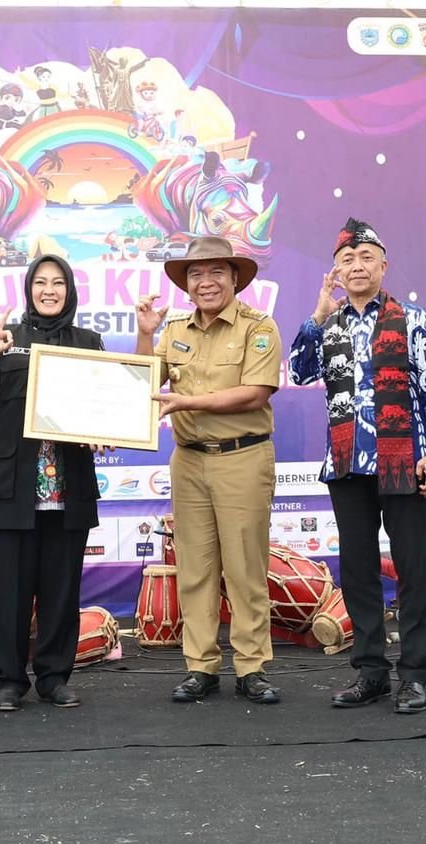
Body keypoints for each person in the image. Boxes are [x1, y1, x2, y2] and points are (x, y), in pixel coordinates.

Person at [289, 218, 426, 714]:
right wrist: (316, 316)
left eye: (366, 258)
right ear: (337, 272)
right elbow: (299, 370)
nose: (357, 266)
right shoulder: (330, 325)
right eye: (347, 260)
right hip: (347, 464)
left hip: (404, 460)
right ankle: (370, 672)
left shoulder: (413, 320)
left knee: (411, 570)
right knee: (358, 571)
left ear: (384, 266)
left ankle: (414, 675)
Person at [0, 255, 103, 711]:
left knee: (61, 593)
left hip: (69, 491)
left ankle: (54, 678)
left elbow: (109, 403)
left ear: (70, 290)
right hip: (9, 490)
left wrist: (106, 429)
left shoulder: (89, 342)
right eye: (40, 282)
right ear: (29, 289)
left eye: (58, 283)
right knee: (10, 595)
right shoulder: (7, 338)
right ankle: (9, 680)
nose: (49, 290)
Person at [135, 236, 283, 704]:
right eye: (196, 274)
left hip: (243, 457)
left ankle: (251, 667)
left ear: (235, 278)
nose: (206, 281)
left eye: (217, 271)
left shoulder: (259, 326)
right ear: (186, 284)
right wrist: (145, 334)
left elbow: (255, 393)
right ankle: (200, 666)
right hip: (188, 459)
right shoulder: (174, 328)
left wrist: (188, 402)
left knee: (245, 568)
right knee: (195, 568)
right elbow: (142, 380)